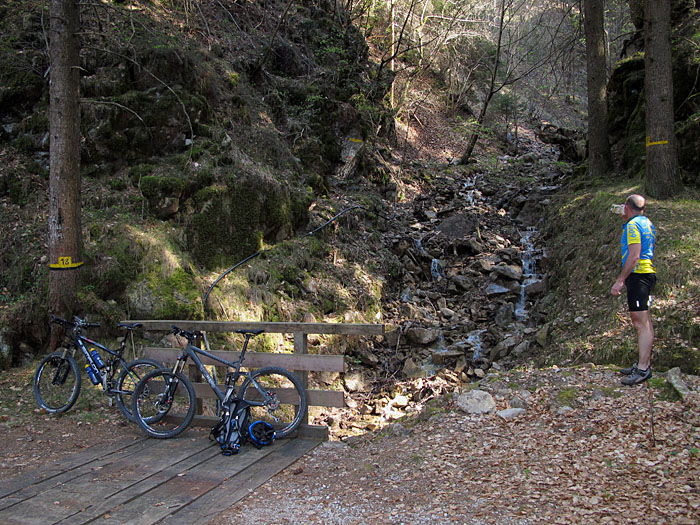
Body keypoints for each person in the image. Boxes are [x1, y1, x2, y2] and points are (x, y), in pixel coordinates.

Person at [611, 194, 657, 385]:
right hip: (646, 274)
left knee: (640, 323)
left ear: (628, 208)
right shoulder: (646, 222)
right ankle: (642, 363)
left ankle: (643, 368)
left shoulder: (632, 226)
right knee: (644, 321)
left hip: (638, 275)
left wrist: (620, 280)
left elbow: (634, 255)